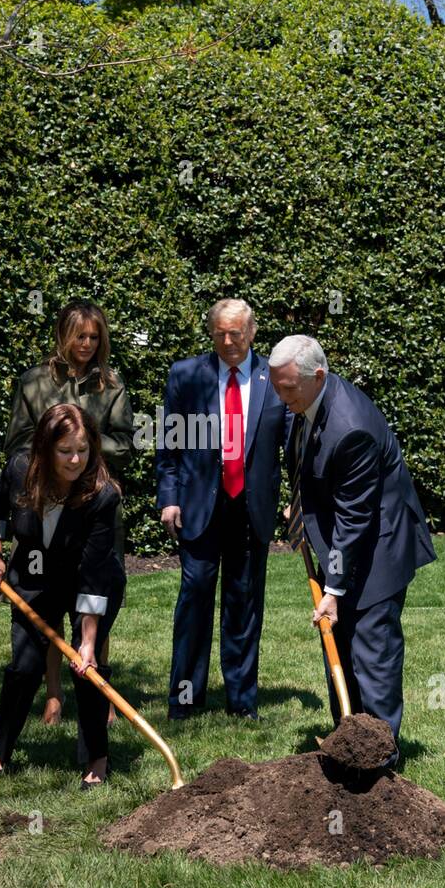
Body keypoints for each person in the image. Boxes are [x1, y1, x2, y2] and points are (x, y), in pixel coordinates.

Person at [268, 334, 437, 765]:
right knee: (339, 647)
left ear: (318, 375)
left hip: (378, 549)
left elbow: (355, 517)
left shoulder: (351, 427)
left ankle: (381, 765)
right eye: (276, 386)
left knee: (371, 654)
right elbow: (312, 468)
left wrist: (334, 589)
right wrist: (301, 507)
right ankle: (348, 745)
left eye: (287, 388)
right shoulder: (307, 401)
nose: (280, 396)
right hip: (345, 541)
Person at [0, 403, 125, 788]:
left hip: (89, 582)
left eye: (83, 450)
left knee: (86, 668)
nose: (76, 460)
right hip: (34, 577)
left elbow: (93, 574)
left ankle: (97, 759)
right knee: (25, 666)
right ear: (45, 448)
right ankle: (1, 751)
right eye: (65, 451)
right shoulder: (20, 469)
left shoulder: (102, 496)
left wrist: (88, 643)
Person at [155, 299, 288, 720]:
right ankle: (185, 699)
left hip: (252, 509)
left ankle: (242, 702)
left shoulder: (276, 376)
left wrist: (298, 500)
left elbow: (293, 445)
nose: (229, 342)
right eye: (220, 334)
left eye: (236, 333)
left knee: (244, 604)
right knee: (194, 600)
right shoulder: (186, 375)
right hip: (199, 506)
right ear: (211, 334)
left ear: (252, 332)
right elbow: (169, 443)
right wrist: (169, 497)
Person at [4, 302, 134, 726]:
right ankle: (54, 695)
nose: (87, 344)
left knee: (97, 599)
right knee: (49, 601)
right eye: (79, 336)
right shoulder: (34, 382)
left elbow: (125, 444)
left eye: (94, 337)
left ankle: (101, 693)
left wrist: (84, 444)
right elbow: (17, 445)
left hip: (95, 506)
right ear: (63, 335)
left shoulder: (111, 384)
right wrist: (54, 448)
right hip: (47, 506)